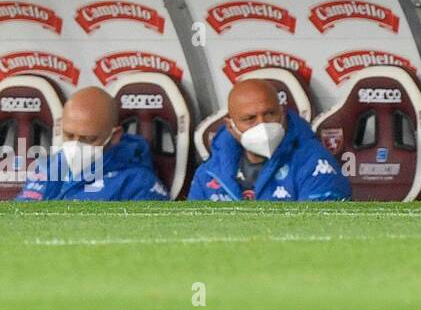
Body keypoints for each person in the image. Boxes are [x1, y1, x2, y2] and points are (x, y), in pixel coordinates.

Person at [189, 78, 350, 201]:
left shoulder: (315, 163)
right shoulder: (209, 173)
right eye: (250, 118)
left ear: (282, 114)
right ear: (230, 126)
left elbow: (321, 233)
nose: (262, 124)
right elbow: (189, 231)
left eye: (270, 114)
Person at [16, 86, 168, 201]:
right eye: (69, 135)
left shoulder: (138, 184)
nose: (75, 146)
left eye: (87, 139)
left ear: (115, 135)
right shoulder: (46, 167)